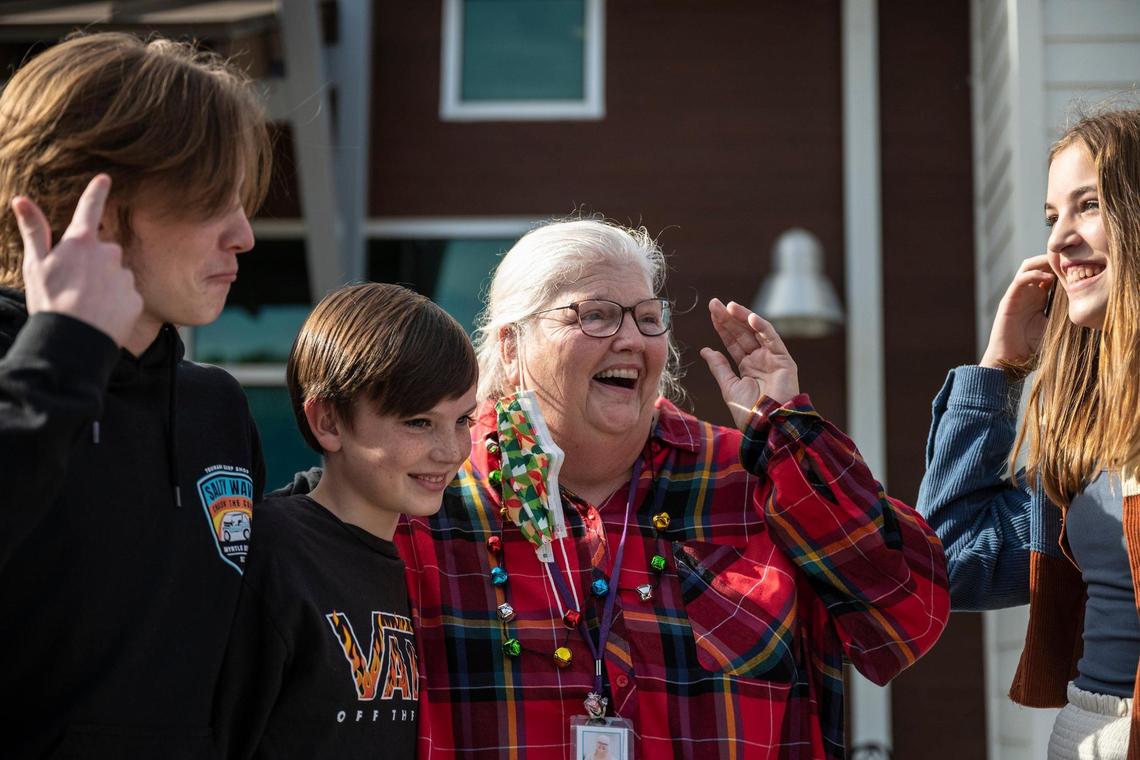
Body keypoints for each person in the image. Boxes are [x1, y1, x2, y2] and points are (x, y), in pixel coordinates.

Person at [288, 219, 949, 758]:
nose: (631, 338)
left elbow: (906, 616)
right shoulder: (432, 491)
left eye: (647, 317)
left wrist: (790, 431)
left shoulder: (748, 480)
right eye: (596, 316)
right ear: (512, 347)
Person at [0, 32, 271, 756]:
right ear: (95, 202)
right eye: (211, 198)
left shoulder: (217, 408)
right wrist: (62, 353)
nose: (243, 234)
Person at [917, 109, 1140, 758]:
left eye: (1089, 205)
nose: (1061, 239)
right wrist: (998, 370)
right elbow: (951, 560)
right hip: (1085, 733)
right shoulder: (1088, 440)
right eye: (1052, 218)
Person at [212, 283, 478, 758]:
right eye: (419, 422)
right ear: (329, 423)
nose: (451, 451)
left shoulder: (431, 559)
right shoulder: (271, 552)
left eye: (463, 421)